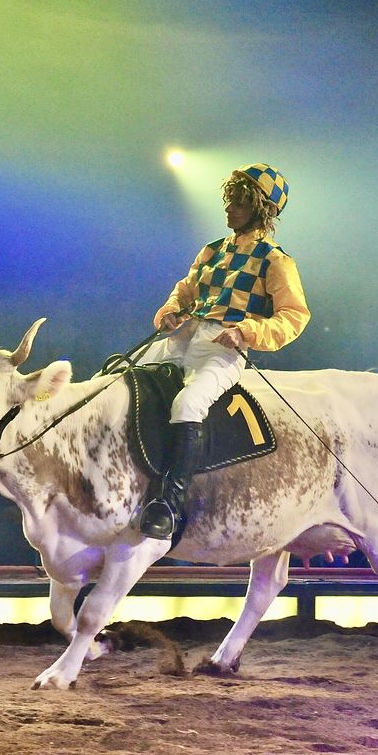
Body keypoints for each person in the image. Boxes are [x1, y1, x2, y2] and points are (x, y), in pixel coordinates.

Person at [135, 163, 309, 540]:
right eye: (229, 201)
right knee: (122, 380)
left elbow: (294, 317)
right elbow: (184, 291)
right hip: (182, 337)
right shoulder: (212, 250)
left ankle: (170, 504)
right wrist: (169, 312)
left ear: (260, 208)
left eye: (238, 203)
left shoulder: (275, 260)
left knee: (188, 405)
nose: (228, 210)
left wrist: (248, 330)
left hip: (222, 348)